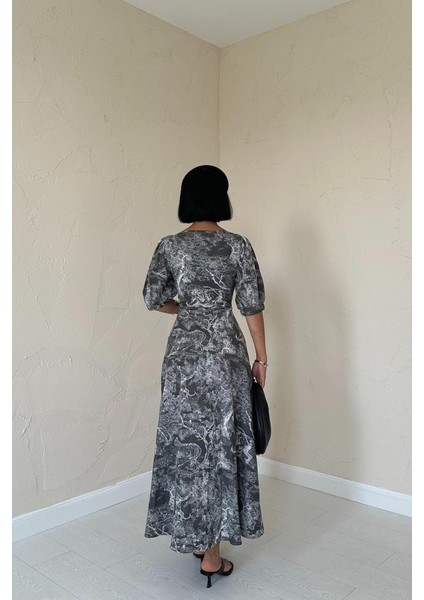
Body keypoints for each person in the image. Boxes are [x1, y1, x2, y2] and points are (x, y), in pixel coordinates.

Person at [142, 164, 268, 588]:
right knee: (221, 444)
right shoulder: (237, 245)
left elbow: (153, 298)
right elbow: (251, 306)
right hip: (226, 355)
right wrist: (262, 359)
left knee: (188, 445)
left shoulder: (169, 246)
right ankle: (212, 555)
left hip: (182, 356)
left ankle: (197, 537)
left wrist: (189, 310)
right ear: (221, 197)